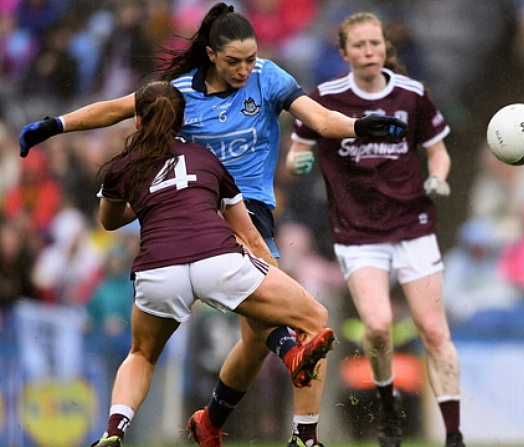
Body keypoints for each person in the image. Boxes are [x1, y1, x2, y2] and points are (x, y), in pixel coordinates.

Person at [17, 3, 407, 447]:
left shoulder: (269, 77)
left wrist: (360, 126)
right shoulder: (180, 89)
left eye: (250, 58)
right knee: (298, 323)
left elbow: (320, 119)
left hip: (249, 210)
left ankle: (210, 422)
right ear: (210, 54)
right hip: (202, 212)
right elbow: (116, 109)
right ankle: (304, 436)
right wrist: (56, 125)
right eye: (233, 61)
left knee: (256, 341)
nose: (245, 69)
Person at [89, 80, 334, 447]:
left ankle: (112, 432)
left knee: (141, 354)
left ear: (137, 121)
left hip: (157, 271)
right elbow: (250, 236)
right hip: (216, 261)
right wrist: (276, 285)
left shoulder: (123, 167)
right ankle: (304, 433)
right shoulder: (206, 158)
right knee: (313, 318)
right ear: (184, 119)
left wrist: (148, 199)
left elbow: (108, 221)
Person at [285, 12, 464, 447]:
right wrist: (300, 162)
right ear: (343, 52)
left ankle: (454, 436)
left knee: (434, 330)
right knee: (379, 327)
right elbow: (295, 155)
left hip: (413, 226)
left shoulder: (412, 94)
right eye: (360, 46)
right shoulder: (324, 98)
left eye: (376, 44)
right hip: (358, 233)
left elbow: (438, 152)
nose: (369, 52)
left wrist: (438, 175)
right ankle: (388, 411)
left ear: (386, 48)